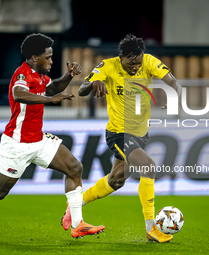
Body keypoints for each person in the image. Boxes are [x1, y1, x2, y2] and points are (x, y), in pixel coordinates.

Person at [0, 33, 105, 239]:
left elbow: (52, 87)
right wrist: (50, 100)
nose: (51, 61)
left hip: (38, 140)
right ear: (34, 58)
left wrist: (68, 76)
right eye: (48, 57)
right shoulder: (22, 75)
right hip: (17, 143)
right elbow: (18, 94)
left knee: (74, 167)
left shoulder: (40, 76)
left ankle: (78, 224)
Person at [61, 34, 182, 243]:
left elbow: (174, 83)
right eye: (131, 63)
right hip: (118, 133)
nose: (136, 67)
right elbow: (81, 90)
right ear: (122, 57)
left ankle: (75, 206)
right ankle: (151, 227)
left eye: (138, 62)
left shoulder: (150, 62)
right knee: (148, 166)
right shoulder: (108, 66)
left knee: (116, 180)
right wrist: (95, 82)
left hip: (141, 134)